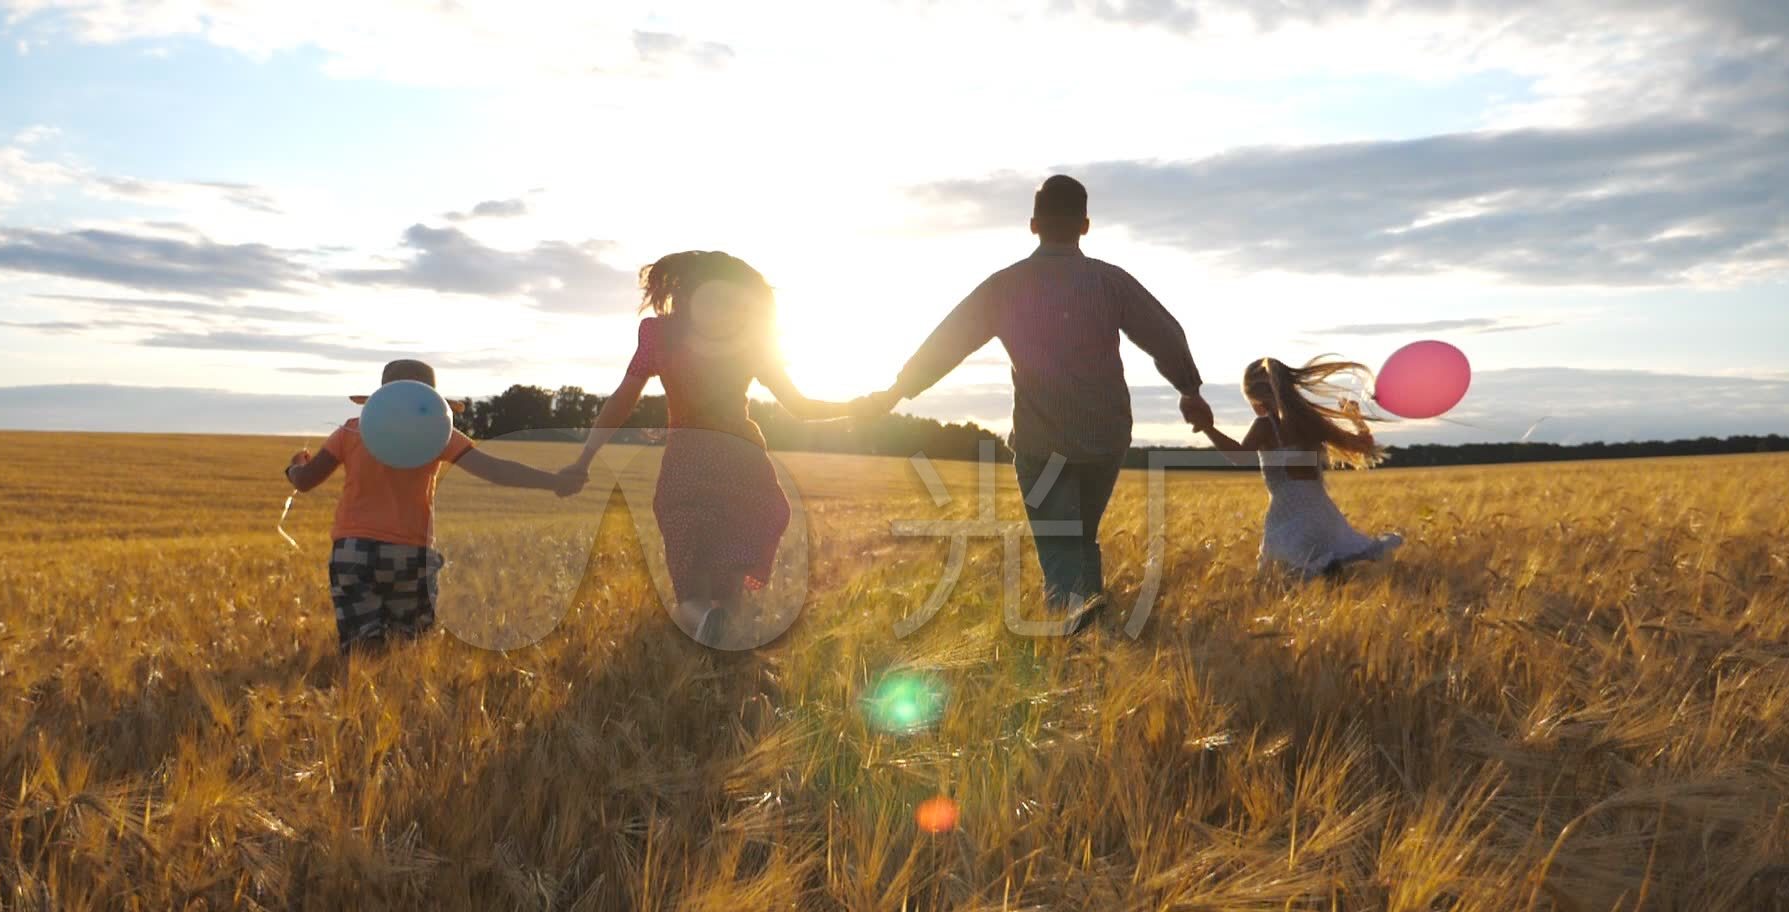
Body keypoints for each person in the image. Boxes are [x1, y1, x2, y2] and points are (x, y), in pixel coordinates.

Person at [862, 175, 1212, 633]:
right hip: (1106, 438)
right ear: (1085, 225)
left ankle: (1077, 637)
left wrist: (898, 390)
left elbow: (948, 341)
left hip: (1042, 442)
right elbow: (1167, 334)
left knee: (1064, 550)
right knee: (1079, 538)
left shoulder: (1006, 286)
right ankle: (1094, 647)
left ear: (1032, 224)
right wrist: (1190, 390)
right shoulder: (1110, 282)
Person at [554, 251, 889, 646]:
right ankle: (725, 641)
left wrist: (585, 458)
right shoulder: (743, 340)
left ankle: (705, 624)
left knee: (691, 586)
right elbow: (799, 406)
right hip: (740, 460)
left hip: (693, 462)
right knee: (729, 585)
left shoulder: (660, 335)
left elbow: (622, 400)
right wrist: (858, 408)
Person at [285, 358, 580, 656]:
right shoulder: (439, 434)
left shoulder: (351, 431)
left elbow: (305, 481)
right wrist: (554, 481)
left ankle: (360, 682)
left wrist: (296, 466)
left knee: (361, 650)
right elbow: (497, 471)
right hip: (412, 554)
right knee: (408, 650)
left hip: (352, 552)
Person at [1191, 357, 1404, 578]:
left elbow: (1239, 456)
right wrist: (1356, 419)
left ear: (1256, 400)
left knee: (1281, 577)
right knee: (1328, 569)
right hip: (1324, 518)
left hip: (1288, 519)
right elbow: (1364, 446)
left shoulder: (1265, 425)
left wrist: (1208, 428)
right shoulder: (1310, 420)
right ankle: (1330, 572)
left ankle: (1326, 573)